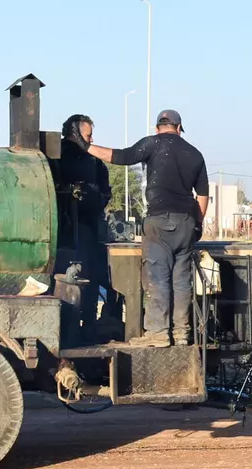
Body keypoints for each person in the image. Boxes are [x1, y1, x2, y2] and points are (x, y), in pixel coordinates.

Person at [69, 110, 209, 347]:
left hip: (159, 222)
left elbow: (120, 156)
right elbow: (203, 195)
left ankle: (158, 333)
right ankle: (182, 333)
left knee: (157, 276)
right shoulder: (195, 154)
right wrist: (197, 222)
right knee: (181, 279)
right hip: (187, 222)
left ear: (157, 128)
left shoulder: (152, 144)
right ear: (179, 127)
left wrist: (85, 146)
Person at [58, 114, 112, 340]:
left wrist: (95, 198)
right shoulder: (57, 156)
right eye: (88, 135)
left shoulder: (95, 162)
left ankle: (88, 324)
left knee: (90, 276)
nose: (91, 140)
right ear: (76, 133)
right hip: (63, 228)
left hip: (88, 227)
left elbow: (105, 191)